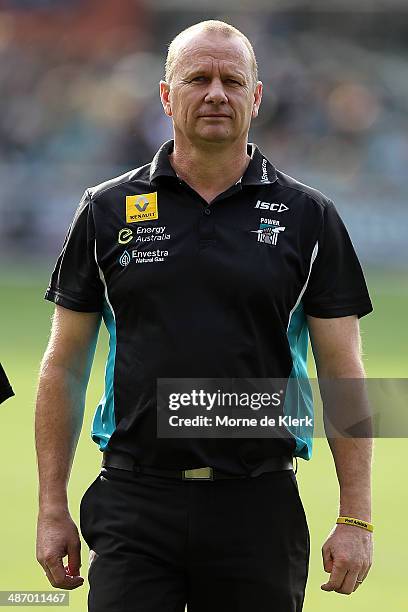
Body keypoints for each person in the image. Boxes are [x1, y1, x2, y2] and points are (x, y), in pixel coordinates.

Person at [35, 20, 374, 612]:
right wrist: (51, 507)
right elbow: (63, 366)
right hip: (134, 501)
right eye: (197, 78)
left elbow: (343, 374)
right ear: (167, 95)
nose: (216, 92)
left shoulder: (310, 218)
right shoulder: (105, 210)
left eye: (231, 80)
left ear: (256, 97)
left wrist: (357, 518)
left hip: (259, 507)